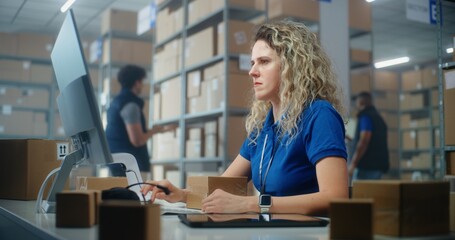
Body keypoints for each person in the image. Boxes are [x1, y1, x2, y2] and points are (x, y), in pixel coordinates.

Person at [142, 19, 348, 215]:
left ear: (292, 67)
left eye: (264, 62)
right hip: (275, 230)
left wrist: (250, 203)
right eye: (252, 63)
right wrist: (181, 194)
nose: (252, 71)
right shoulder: (262, 128)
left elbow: (336, 198)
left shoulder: (319, 115)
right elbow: (223, 186)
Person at [106, 65, 170, 180]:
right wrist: (154, 131)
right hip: (128, 165)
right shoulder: (130, 105)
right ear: (137, 82)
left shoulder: (116, 102)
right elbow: (137, 140)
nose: (143, 85)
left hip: (119, 162)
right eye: (142, 81)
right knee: (133, 197)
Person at [348, 91, 389, 180]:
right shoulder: (378, 118)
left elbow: (364, 141)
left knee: (361, 193)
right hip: (378, 166)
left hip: (366, 168)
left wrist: (353, 164)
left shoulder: (365, 116)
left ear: (360, 102)